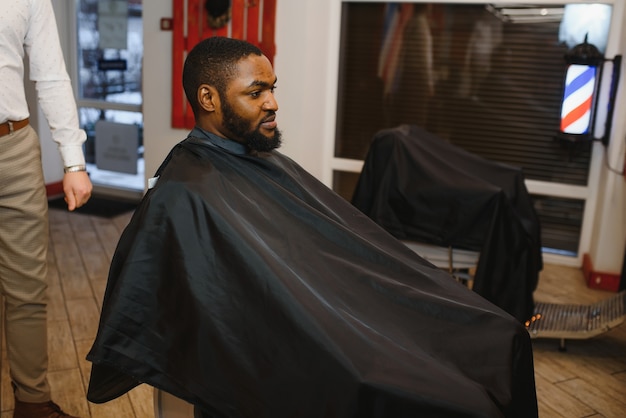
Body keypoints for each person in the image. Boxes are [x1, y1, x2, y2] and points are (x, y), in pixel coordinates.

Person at [86, 37, 538, 417]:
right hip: (311, 342)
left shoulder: (257, 164)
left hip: (341, 314)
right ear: (208, 99)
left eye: (272, 89)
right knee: (457, 396)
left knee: (500, 337)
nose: (273, 103)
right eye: (256, 92)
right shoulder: (184, 193)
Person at [0, 1, 92, 417]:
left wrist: (73, 161)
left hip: (13, 148)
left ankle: (32, 406)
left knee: (27, 289)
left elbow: (52, 75)